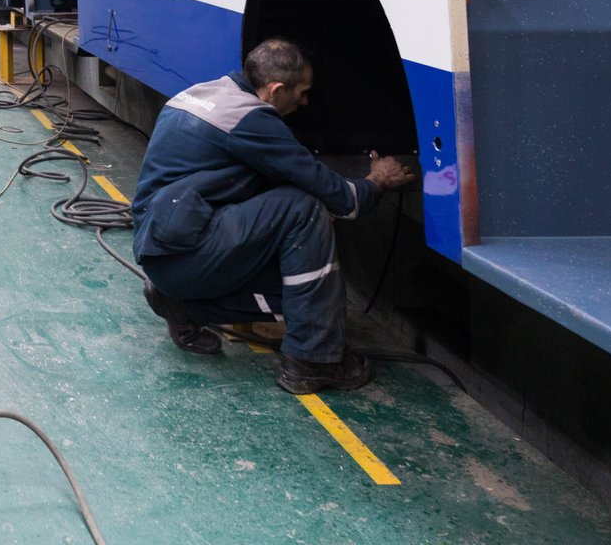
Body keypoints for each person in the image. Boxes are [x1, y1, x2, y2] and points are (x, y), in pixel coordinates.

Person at [129, 39, 417, 394]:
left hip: (160, 250)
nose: (306, 102)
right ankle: (313, 361)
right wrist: (377, 180)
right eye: (303, 92)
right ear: (276, 89)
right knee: (302, 211)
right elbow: (347, 202)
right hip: (186, 254)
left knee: (291, 260)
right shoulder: (251, 120)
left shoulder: (200, 94)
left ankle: (181, 303)